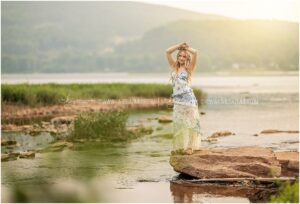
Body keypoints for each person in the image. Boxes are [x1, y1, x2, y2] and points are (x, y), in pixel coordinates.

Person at [166, 42, 203, 155]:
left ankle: (190, 147)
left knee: (191, 124)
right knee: (179, 124)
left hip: (189, 100)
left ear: (187, 58)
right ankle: (180, 147)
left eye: (184, 56)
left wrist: (186, 48)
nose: (181, 58)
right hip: (178, 101)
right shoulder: (174, 66)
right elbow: (168, 52)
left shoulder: (189, 68)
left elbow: (195, 52)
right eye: (180, 56)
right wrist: (178, 46)